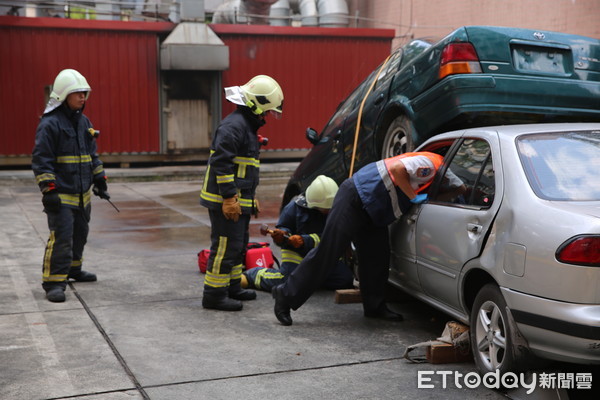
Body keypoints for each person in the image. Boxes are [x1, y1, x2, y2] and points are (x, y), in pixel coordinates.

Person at [271, 151, 466, 325]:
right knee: (329, 251)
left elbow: (460, 189)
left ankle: (374, 307)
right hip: (356, 197)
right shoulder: (431, 165)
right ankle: (285, 295)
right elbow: (398, 169)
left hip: (375, 209)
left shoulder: (441, 173)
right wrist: (413, 197)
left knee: (377, 256)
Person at [200, 75, 284, 312]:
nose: (266, 117)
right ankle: (214, 295)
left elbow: (242, 169)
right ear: (256, 104)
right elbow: (221, 163)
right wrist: (228, 197)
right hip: (223, 200)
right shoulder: (234, 126)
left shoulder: (245, 126)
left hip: (237, 200)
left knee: (238, 246)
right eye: (266, 112)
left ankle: (233, 286)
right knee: (225, 247)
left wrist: (248, 199)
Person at [32, 69, 109, 303]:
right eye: (78, 93)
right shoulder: (50, 124)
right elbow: (41, 159)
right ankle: (54, 282)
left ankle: (73, 270)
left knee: (80, 234)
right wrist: (49, 190)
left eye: (85, 93)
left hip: (82, 195)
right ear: (64, 95)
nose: (83, 97)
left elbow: (91, 155)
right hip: (62, 195)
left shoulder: (83, 121)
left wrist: (100, 179)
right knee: (62, 237)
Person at [243, 175, 354, 292]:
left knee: (344, 280)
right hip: (297, 256)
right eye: (325, 209)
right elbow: (283, 232)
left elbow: (333, 237)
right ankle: (253, 274)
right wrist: (282, 236)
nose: (328, 212)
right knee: (286, 283)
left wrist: (304, 241)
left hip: (322, 255)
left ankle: (307, 279)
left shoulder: (337, 210)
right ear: (313, 204)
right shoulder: (293, 209)